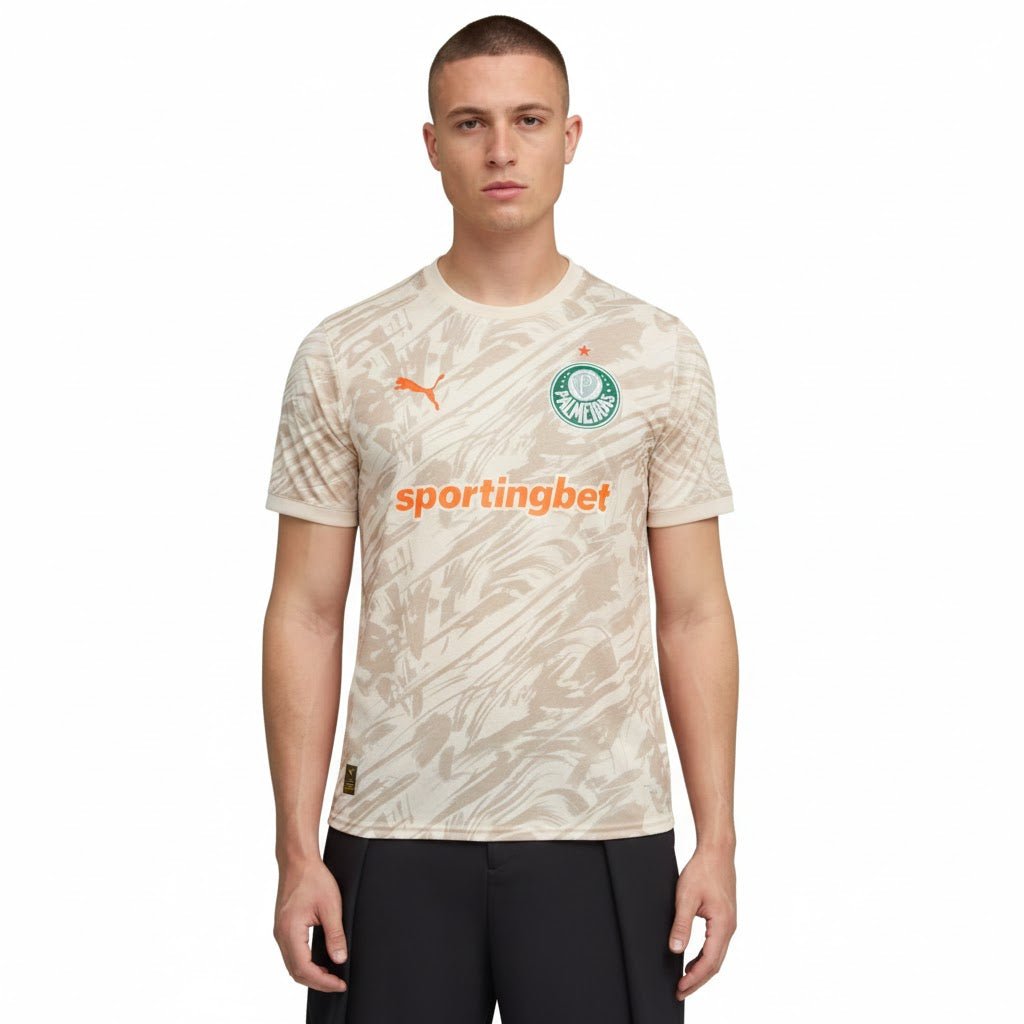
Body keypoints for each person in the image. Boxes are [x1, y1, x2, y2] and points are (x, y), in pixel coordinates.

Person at [262, 14, 739, 1024]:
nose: (501, 150)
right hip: (393, 831)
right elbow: (305, 610)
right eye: (470, 123)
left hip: (602, 826)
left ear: (571, 136)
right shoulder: (347, 354)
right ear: (431, 144)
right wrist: (296, 849)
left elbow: (694, 611)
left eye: (529, 119)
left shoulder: (653, 351)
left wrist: (718, 839)